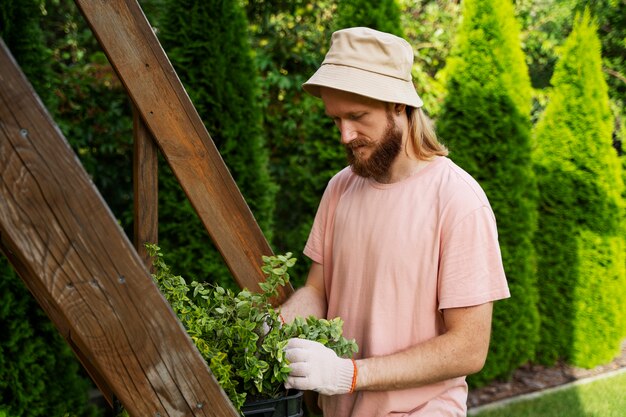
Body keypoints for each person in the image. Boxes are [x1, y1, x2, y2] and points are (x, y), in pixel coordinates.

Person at [279, 27, 510, 416]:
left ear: (398, 105)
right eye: (336, 119)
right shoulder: (340, 188)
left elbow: (469, 347)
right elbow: (317, 290)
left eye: (357, 117)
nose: (345, 135)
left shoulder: (457, 200)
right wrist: (277, 328)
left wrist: (349, 375)